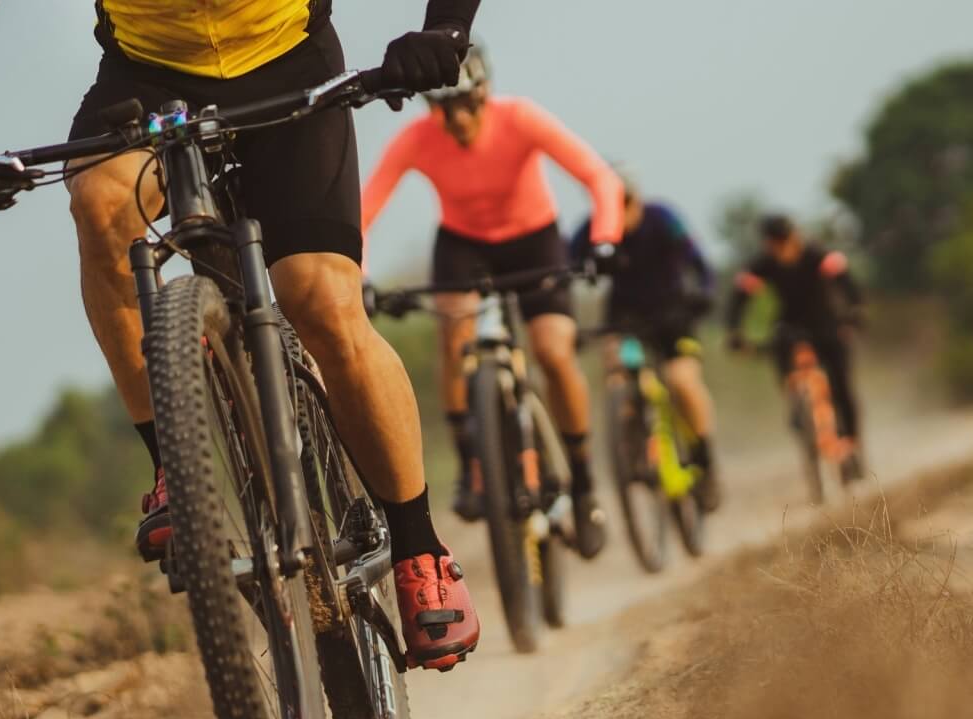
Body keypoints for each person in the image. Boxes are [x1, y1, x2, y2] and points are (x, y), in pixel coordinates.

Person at [0, 0, 485, 672]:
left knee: (321, 298)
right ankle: (174, 469)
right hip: (149, 80)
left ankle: (419, 549)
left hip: (288, 60)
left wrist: (445, 29)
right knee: (100, 207)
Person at [361, 44, 624, 559]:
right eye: (443, 108)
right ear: (429, 109)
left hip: (533, 239)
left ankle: (585, 481)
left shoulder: (520, 117)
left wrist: (606, 238)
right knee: (454, 333)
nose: (457, 119)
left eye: (467, 104)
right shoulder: (415, 139)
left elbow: (600, 178)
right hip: (464, 244)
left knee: (552, 351)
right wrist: (363, 276)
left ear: (484, 94)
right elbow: (362, 212)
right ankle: (469, 466)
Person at [569, 179, 723, 511]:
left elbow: (696, 258)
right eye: (608, 203)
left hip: (674, 314)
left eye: (625, 200)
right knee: (616, 373)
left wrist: (706, 291)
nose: (619, 210)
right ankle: (632, 439)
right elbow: (566, 273)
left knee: (682, 381)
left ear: (637, 198)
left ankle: (705, 460)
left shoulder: (662, 217)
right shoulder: (590, 230)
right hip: (624, 319)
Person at [726, 214, 866, 480]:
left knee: (842, 386)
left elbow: (845, 281)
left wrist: (855, 311)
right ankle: (797, 404)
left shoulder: (817, 255)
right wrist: (735, 331)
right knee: (781, 353)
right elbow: (739, 296)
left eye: (784, 241)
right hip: (789, 326)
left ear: (795, 236)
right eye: (774, 243)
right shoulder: (763, 265)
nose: (781, 248)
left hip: (826, 323)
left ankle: (851, 443)